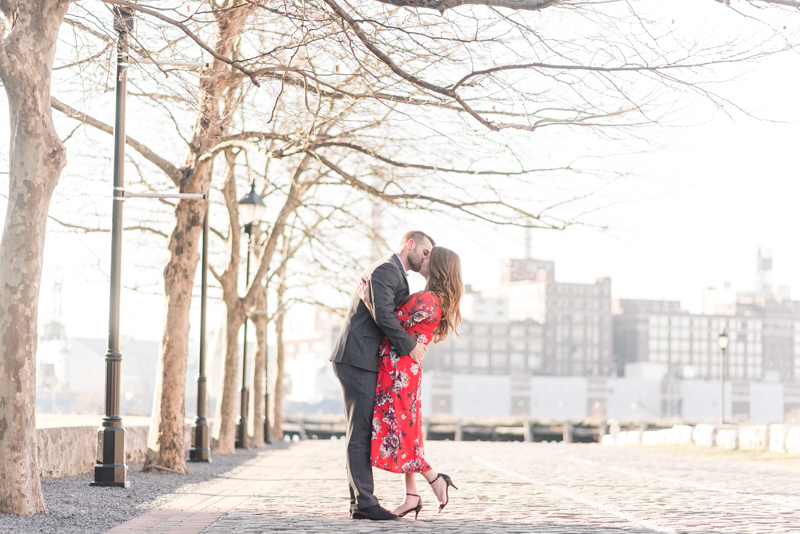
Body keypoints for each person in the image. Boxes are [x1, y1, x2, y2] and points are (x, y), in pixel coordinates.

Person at [330, 231, 435, 521]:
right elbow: (386, 316)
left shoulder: (393, 274)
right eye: (424, 252)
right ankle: (364, 504)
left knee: (361, 430)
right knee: (360, 432)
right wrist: (411, 345)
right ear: (409, 244)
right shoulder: (387, 269)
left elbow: (386, 311)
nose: (426, 258)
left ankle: (362, 502)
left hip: (362, 358)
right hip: (357, 359)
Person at [368, 246, 463, 519]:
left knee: (401, 432)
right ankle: (411, 495)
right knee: (407, 431)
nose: (423, 259)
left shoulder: (428, 299)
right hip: (404, 370)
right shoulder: (434, 298)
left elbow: (388, 321)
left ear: (438, 267)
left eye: (429, 258)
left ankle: (435, 478)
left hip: (400, 372)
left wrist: (368, 298)